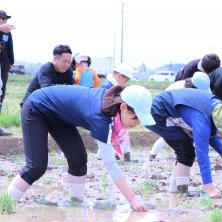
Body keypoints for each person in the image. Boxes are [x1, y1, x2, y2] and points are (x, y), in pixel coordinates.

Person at [7, 84, 155, 212]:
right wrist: (132, 198)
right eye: (136, 118)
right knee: (36, 167)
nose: (137, 124)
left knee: (78, 160)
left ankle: (75, 205)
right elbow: (110, 164)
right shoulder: (100, 117)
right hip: (37, 108)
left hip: (59, 117)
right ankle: (5, 204)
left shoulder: (112, 104)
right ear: (123, 107)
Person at [146, 88, 222, 198]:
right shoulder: (201, 120)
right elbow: (202, 156)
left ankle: (176, 191)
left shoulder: (218, 108)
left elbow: (210, 131)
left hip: (169, 107)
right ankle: (179, 193)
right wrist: (210, 188)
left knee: (185, 150)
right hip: (156, 113)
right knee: (185, 151)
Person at [149, 72, 212, 159]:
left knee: (184, 134)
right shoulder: (181, 90)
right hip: (166, 112)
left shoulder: (188, 86)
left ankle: (153, 155)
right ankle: (153, 155)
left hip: (171, 111)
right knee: (173, 134)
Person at [96, 63, 135, 161]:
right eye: (126, 80)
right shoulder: (108, 86)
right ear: (119, 76)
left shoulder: (112, 84)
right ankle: (123, 157)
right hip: (105, 116)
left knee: (113, 135)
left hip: (110, 115)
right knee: (113, 135)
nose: (126, 83)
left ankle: (103, 155)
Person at [0, 16, 15, 137]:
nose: (5, 20)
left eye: (6, 18)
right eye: (2, 18)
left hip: (3, 66)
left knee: (1, 93)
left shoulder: (7, 33)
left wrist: (11, 62)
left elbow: (10, 48)